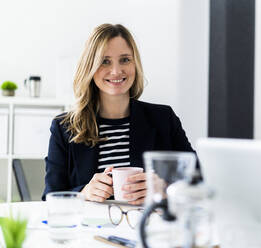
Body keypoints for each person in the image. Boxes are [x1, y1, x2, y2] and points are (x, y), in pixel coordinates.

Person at [42, 24, 197, 205]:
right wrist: (83, 193)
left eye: (125, 60)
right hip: (91, 231)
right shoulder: (64, 127)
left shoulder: (163, 118)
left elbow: (198, 179)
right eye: (105, 61)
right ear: (90, 67)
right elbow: (49, 199)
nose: (116, 71)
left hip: (146, 227)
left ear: (135, 64)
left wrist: (164, 188)